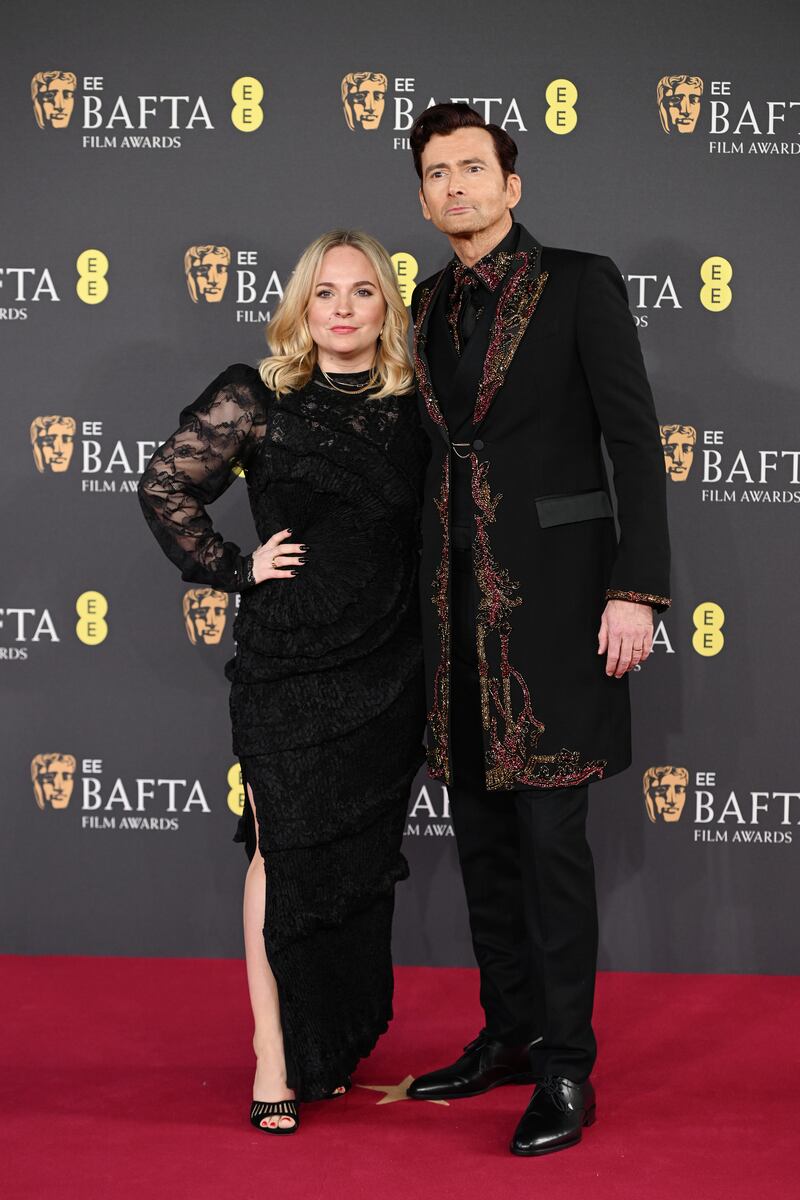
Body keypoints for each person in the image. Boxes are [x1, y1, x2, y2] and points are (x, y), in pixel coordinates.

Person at [405, 104, 671, 1156]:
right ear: (421, 196)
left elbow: (633, 441)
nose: (456, 187)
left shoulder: (578, 281)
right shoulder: (422, 302)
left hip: (562, 609)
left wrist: (635, 588)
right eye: (436, 173)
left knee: (551, 848)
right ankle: (506, 1036)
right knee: (481, 845)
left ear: (510, 186)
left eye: (473, 168)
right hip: (452, 619)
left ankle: (566, 1071)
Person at [138, 230, 428, 1135]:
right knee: (279, 850)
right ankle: (273, 1051)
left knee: (354, 864)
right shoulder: (256, 396)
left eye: (362, 293)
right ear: (302, 307)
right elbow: (163, 488)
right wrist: (236, 566)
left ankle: (325, 1044)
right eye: (325, 292)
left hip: (389, 664)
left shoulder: (420, 405)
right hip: (288, 663)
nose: (342, 308)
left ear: (387, 308)